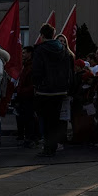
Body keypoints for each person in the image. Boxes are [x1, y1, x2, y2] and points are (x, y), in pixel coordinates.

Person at [32, 23, 74, 157]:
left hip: (44, 90)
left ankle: (47, 147)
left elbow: (37, 70)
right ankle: (53, 146)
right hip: (60, 90)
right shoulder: (63, 49)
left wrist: (37, 85)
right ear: (54, 35)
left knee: (45, 119)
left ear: (42, 35)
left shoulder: (40, 49)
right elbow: (69, 71)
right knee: (56, 120)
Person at [15, 45, 38, 148]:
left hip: (28, 97)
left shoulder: (32, 66)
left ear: (30, 54)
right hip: (23, 96)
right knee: (24, 118)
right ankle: (28, 137)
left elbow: (32, 85)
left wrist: (22, 91)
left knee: (29, 118)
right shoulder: (25, 66)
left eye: (24, 53)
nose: (22, 55)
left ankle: (31, 138)